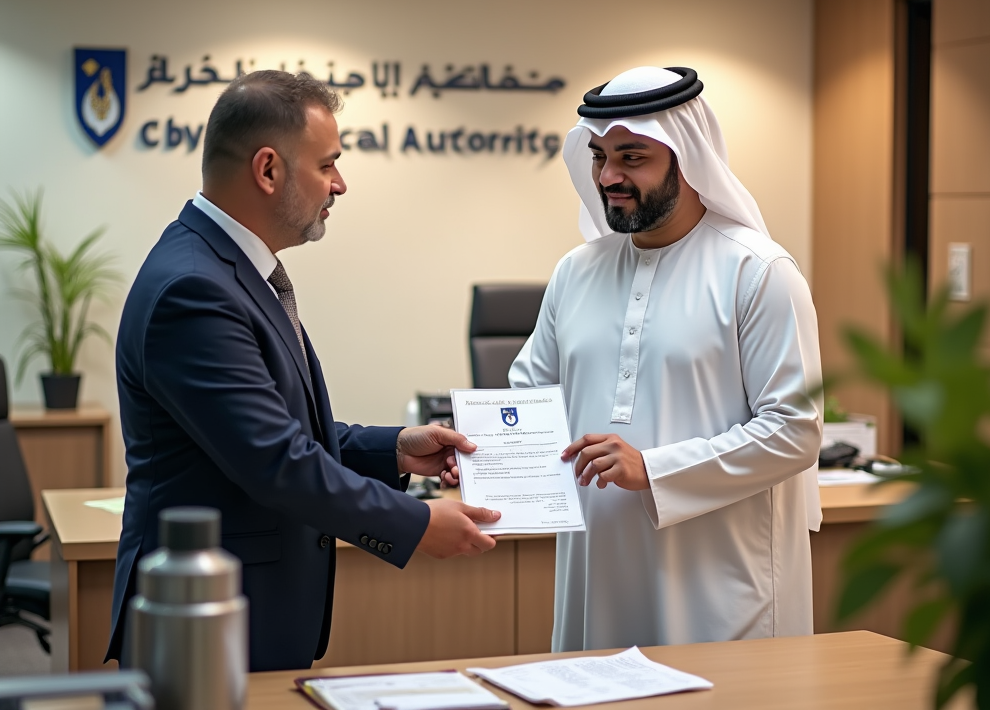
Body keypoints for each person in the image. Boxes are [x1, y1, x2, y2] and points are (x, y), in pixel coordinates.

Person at [107, 70, 499, 671]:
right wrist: (416, 522)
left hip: (244, 612)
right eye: (327, 164)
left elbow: (288, 432)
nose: (340, 184)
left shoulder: (227, 270)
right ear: (268, 170)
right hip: (205, 620)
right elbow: (276, 461)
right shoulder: (195, 288)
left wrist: (394, 447)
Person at [509, 66, 823, 652]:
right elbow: (530, 396)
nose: (609, 176)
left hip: (719, 580)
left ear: (688, 157)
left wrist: (653, 469)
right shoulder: (577, 272)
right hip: (597, 573)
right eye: (601, 157)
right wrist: (484, 455)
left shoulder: (756, 271)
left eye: (633, 158)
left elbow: (794, 431)